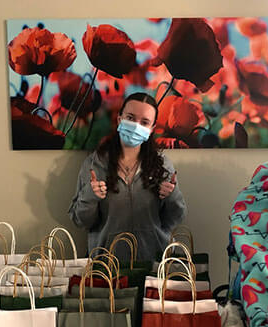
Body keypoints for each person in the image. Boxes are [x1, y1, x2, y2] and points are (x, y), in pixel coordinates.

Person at [68, 92, 187, 262]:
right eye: (130, 118)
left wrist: (172, 196)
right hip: (107, 267)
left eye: (144, 122)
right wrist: (90, 196)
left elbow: (175, 219)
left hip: (153, 265)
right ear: (119, 119)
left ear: (151, 129)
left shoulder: (163, 165)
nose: (136, 126)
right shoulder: (94, 164)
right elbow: (81, 221)